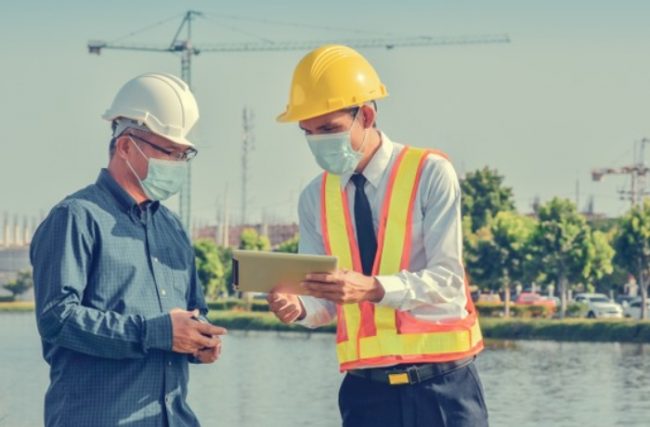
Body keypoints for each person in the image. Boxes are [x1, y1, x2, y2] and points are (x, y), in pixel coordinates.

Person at [268, 45, 488, 426]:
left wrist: (371, 288)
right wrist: (299, 307)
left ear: (366, 115)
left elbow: (448, 282)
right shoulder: (313, 198)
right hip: (366, 395)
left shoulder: (430, 173)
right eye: (308, 133)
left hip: (443, 388)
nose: (318, 143)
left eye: (328, 130)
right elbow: (324, 302)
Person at [30, 72, 227, 427]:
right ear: (125, 146)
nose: (177, 163)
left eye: (185, 154)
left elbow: (194, 311)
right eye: (169, 151)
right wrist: (156, 332)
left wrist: (200, 339)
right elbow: (56, 319)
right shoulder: (75, 217)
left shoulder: (173, 228)